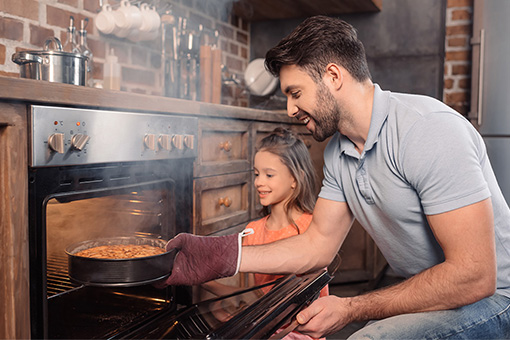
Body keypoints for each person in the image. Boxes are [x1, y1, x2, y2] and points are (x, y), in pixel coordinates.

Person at [159, 15, 510, 339]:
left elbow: (474, 276)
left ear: (333, 76)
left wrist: (350, 308)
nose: (290, 110)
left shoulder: (426, 130)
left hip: (497, 298)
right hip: (445, 293)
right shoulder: (338, 153)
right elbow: (316, 245)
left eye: (296, 93)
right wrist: (220, 255)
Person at [202, 127, 329, 340]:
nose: (259, 182)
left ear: (295, 179)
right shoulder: (253, 231)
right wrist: (204, 279)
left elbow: (313, 307)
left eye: (269, 175)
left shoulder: (313, 228)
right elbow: (255, 299)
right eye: (257, 174)